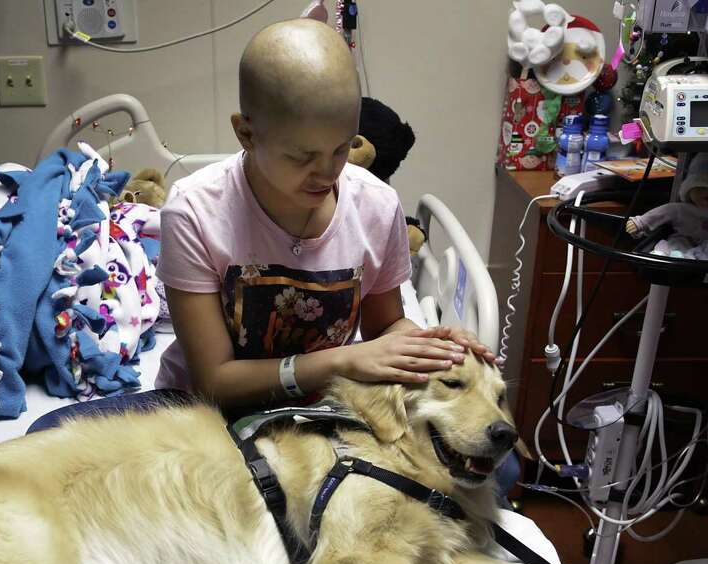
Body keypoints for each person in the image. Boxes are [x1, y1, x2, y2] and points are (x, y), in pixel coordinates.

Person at [155, 17, 495, 412]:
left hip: (318, 412)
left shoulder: (376, 205)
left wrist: (429, 345)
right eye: (303, 156)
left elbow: (383, 327)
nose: (329, 172)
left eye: (341, 147)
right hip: (203, 414)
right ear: (246, 134)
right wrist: (340, 359)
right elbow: (214, 381)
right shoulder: (194, 212)